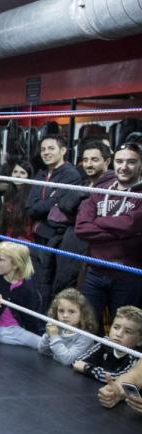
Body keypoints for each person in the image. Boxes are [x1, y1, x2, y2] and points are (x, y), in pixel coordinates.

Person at [74, 142, 142, 323]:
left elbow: (130, 224)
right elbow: (81, 227)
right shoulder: (101, 189)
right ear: (113, 163)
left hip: (127, 273)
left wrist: (98, 221)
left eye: (131, 162)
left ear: (140, 164)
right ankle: (90, 353)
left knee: (122, 327)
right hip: (95, 270)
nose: (124, 167)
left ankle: (114, 353)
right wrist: (121, 232)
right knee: (87, 324)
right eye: (120, 161)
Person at [25, 134, 82, 309]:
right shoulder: (42, 174)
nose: (46, 153)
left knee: (48, 281)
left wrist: (44, 205)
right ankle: (36, 316)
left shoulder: (71, 175)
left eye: (51, 148)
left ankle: (46, 321)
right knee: (36, 278)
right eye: (43, 149)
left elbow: (57, 205)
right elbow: (30, 206)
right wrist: (47, 203)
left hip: (55, 237)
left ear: (63, 150)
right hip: (38, 234)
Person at [49, 140, 112, 294]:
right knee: (63, 287)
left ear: (107, 161)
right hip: (70, 242)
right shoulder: (84, 184)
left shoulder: (113, 187)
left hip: (91, 249)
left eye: (95, 160)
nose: (89, 164)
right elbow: (59, 208)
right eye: (85, 160)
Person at [0, 241, 45, 348]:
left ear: (15, 265)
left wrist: (38, 333)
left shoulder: (27, 287)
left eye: (0, 259)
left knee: (41, 341)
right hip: (0, 330)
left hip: (18, 329)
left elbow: (31, 317)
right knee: (39, 343)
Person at [73, 305, 142, 381]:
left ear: (139, 341)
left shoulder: (137, 357)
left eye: (127, 332)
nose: (118, 334)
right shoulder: (105, 342)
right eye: (116, 327)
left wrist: (87, 368)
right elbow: (77, 362)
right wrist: (96, 372)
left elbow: (118, 379)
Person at [37, 288, 98, 366]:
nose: (65, 315)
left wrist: (54, 336)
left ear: (82, 314)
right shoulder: (59, 328)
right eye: (61, 311)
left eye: (71, 311)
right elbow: (42, 350)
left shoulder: (85, 337)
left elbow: (67, 361)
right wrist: (48, 334)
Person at [0, 159, 34, 241]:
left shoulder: (31, 195)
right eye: (15, 172)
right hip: (7, 239)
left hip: (23, 241)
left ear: (28, 176)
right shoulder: (9, 193)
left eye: (22, 173)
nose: (18, 175)